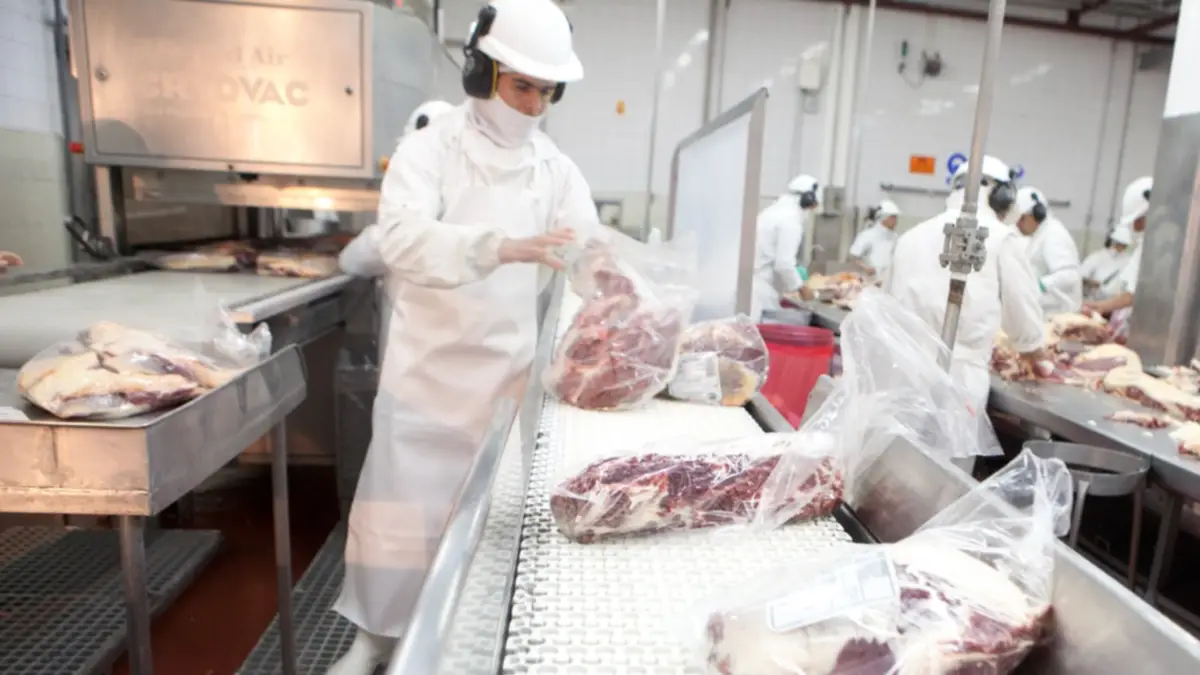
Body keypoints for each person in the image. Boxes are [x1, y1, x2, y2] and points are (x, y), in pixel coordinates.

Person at [328, 1, 601, 673]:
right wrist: (498, 247)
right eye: (522, 86)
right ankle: (374, 639)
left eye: (547, 91)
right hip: (424, 383)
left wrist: (629, 295)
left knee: (476, 537)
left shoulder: (554, 170)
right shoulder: (432, 149)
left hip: (501, 390)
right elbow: (400, 239)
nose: (534, 106)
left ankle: (452, 651)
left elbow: (589, 255)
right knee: (398, 522)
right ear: (482, 72)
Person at [885, 155, 1045, 416]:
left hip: (903, 373)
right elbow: (1024, 321)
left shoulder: (910, 237)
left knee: (903, 442)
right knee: (950, 443)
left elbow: (886, 307)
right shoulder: (1001, 238)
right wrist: (1034, 351)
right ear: (1002, 195)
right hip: (960, 380)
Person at [751, 173, 820, 320]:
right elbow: (784, 264)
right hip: (761, 290)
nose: (811, 210)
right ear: (807, 200)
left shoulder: (770, 213)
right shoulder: (790, 221)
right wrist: (802, 289)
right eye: (812, 206)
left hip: (753, 284)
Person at [1083, 176, 1152, 316]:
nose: (1137, 228)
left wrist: (1103, 306)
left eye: (1138, 220)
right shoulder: (1097, 257)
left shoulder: (1142, 251)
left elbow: (1131, 294)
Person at [1013, 186, 1082, 315]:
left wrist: (1040, 285)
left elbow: (1069, 275)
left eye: (1022, 219)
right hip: (1045, 312)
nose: (1018, 224)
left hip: (1059, 313)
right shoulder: (1038, 235)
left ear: (1037, 214)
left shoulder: (1054, 234)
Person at [848, 199, 900, 278]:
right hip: (869, 281)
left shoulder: (895, 238)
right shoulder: (867, 235)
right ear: (883, 217)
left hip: (888, 281)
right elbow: (853, 257)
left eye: (896, 218)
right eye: (892, 217)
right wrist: (866, 268)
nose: (895, 221)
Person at [1080, 226, 1134, 301]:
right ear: (1113, 242)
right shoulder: (1097, 257)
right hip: (1096, 300)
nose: (1121, 247)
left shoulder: (1128, 260)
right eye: (1119, 244)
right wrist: (1093, 283)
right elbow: (1080, 277)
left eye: (1124, 245)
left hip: (1116, 302)